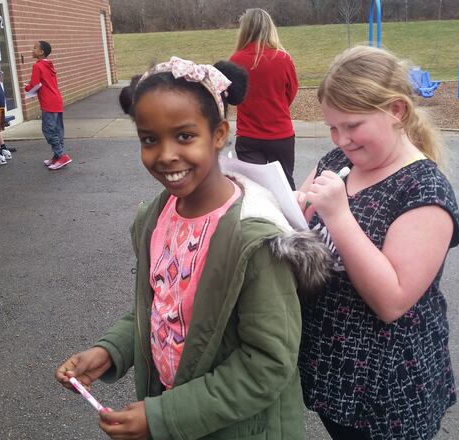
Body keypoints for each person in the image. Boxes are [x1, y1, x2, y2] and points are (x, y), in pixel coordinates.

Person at [55, 56, 330, 440]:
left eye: (184, 136)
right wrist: (110, 350)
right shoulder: (157, 215)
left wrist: (163, 417)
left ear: (219, 134)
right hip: (179, 414)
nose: (166, 154)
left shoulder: (253, 240)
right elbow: (163, 308)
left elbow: (267, 363)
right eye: (150, 139)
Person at [296, 46, 459, 439]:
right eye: (333, 127)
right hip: (333, 374)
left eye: (352, 125)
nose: (342, 139)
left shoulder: (424, 189)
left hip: (387, 391)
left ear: (396, 111)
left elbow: (392, 300)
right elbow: (296, 223)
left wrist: (338, 216)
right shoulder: (338, 161)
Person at [230, 8, 299, 189]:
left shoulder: (235, 61)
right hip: (280, 134)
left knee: (255, 191)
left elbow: (233, 96)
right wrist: (276, 106)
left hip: (248, 136)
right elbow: (291, 92)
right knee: (284, 187)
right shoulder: (283, 59)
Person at [24, 40, 71, 170]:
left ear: (41, 52)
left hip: (48, 102)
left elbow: (35, 84)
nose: (32, 50)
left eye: (35, 48)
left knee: (48, 130)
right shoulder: (49, 65)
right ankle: (57, 156)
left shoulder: (37, 66)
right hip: (57, 100)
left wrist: (27, 88)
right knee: (57, 129)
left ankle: (62, 156)